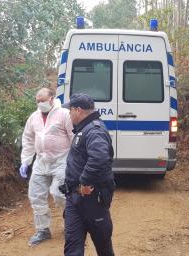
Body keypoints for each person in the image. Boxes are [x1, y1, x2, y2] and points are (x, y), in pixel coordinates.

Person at [61, 93, 115, 256]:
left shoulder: (94, 130)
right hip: (74, 199)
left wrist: (84, 182)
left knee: (103, 246)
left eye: (70, 111)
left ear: (78, 110)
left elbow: (99, 158)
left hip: (92, 199)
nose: (69, 114)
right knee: (72, 247)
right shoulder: (84, 128)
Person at [19, 88, 73, 246]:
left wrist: (75, 161)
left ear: (52, 98)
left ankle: (70, 222)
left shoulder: (64, 114)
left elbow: (74, 136)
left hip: (62, 160)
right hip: (41, 162)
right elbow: (28, 139)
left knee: (59, 194)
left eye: (42, 100)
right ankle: (43, 230)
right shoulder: (34, 117)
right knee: (35, 196)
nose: (40, 103)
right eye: (37, 101)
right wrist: (25, 161)